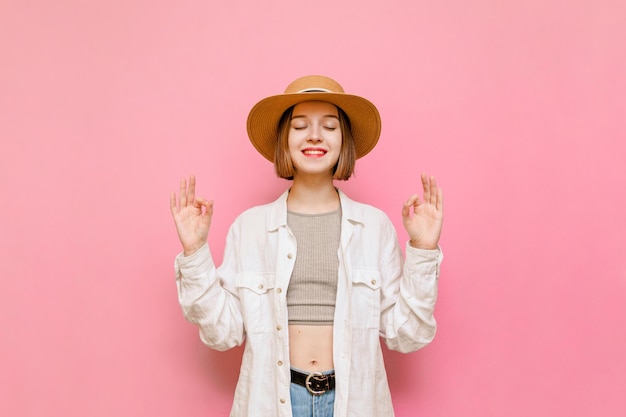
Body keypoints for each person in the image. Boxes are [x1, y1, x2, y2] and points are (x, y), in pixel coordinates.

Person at [170, 75, 444, 417]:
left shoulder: (374, 228)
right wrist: (195, 252)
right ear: (284, 140)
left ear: (344, 142)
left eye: (329, 126)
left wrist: (423, 249)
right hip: (272, 401)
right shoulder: (250, 228)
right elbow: (222, 333)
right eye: (300, 126)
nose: (314, 135)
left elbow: (408, 335)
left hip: (355, 404)